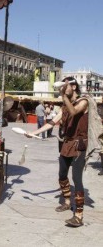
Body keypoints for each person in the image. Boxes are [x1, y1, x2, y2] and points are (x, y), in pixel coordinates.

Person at [25, 77, 89, 227]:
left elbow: (73, 112)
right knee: (62, 174)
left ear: (73, 86)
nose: (62, 89)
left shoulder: (83, 101)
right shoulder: (64, 106)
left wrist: (63, 96)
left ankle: (78, 216)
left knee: (77, 178)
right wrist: (34, 132)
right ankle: (67, 202)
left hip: (79, 145)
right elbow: (52, 123)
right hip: (66, 144)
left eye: (65, 86)